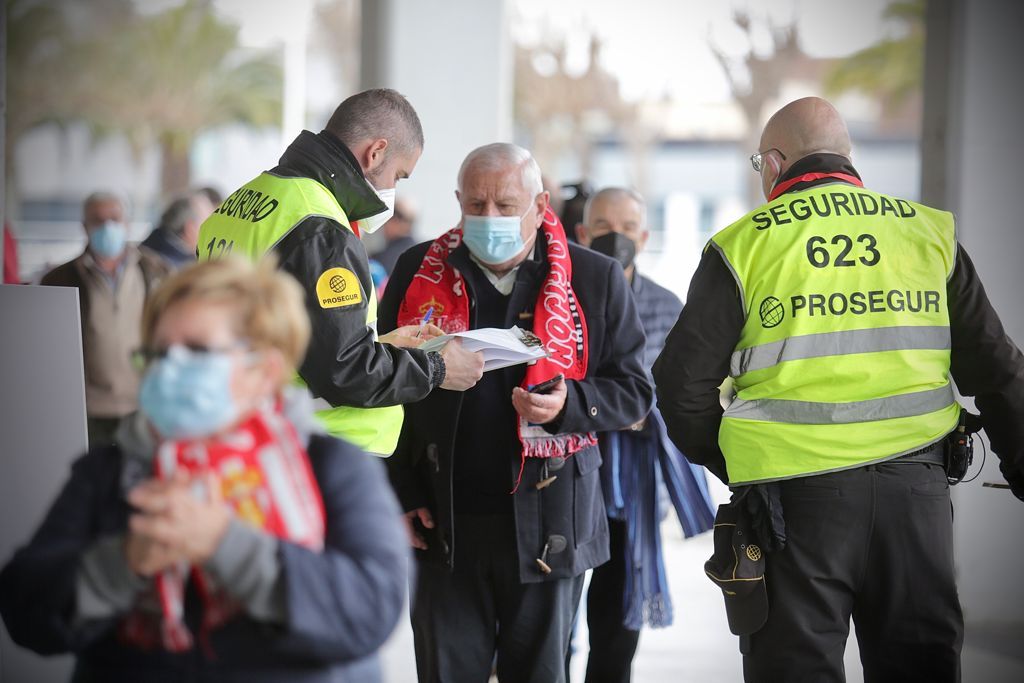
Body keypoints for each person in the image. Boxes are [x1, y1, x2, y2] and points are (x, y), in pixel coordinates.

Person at [653, 97, 1024, 683]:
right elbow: (997, 366)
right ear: (846, 157)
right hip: (916, 499)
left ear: (774, 164)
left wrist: (740, 463)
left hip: (794, 507)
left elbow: (679, 385)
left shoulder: (745, 245)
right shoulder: (928, 233)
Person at [0, 257, 409, 682]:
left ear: (264, 370)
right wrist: (123, 563)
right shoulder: (112, 468)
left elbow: (373, 608)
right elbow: (25, 611)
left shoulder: (328, 465)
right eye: (158, 353)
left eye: (196, 351)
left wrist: (223, 541)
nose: (170, 368)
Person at [378, 143, 653, 683]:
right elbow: (388, 387)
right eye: (475, 205)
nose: (489, 218)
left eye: (506, 205)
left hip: (552, 524)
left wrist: (568, 404)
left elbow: (633, 391)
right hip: (444, 521)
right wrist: (402, 493)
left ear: (540, 202)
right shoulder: (416, 270)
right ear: (457, 201)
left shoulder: (592, 278)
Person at [198, 88, 484, 456]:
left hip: (249, 430)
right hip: (316, 447)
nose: (392, 189)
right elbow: (346, 371)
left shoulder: (245, 200)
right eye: (398, 175)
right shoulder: (320, 226)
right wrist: (437, 367)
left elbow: (295, 336)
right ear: (375, 152)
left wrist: (381, 346)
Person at [572, 187, 715, 683]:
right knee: (557, 620)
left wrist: (601, 407)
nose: (617, 238)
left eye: (628, 228)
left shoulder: (666, 306)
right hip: (567, 481)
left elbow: (672, 397)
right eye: (605, 228)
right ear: (582, 235)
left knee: (615, 622)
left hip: (633, 493)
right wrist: (621, 408)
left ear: (645, 236)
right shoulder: (559, 299)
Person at [41, 192, 170, 448]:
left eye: (114, 218)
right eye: (98, 220)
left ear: (127, 223)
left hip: (143, 404)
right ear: (84, 226)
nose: (107, 227)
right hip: (88, 408)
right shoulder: (59, 279)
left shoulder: (156, 270)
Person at [141, 190, 216, 268]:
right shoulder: (179, 270)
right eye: (210, 226)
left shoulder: (147, 248)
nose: (213, 232)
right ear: (190, 228)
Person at [369, 196, 417, 276]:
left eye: (396, 214)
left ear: (408, 224)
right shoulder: (418, 253)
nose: (389, 220)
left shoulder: (384, 259)